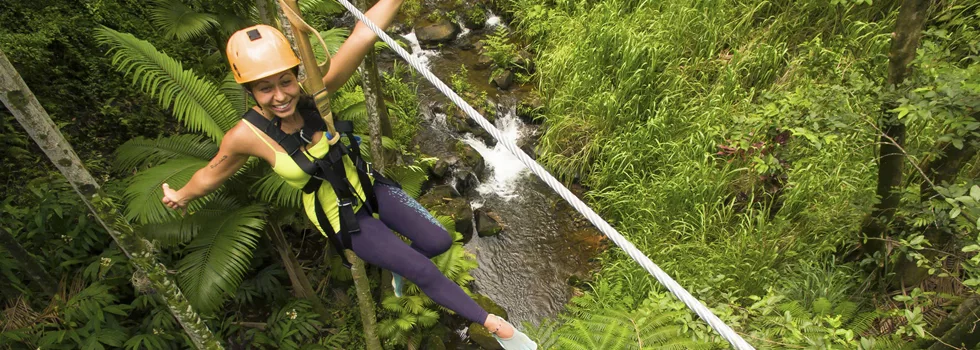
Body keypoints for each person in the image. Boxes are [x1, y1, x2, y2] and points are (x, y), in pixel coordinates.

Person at [159, 1, 536, 349]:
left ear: (295, 75)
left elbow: (362, 34)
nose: (280, 96)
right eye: (264, 88)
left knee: (438, 240)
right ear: (250, 90)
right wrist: (182, 195)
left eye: (285, 82)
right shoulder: (246, 136)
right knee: (423, 269)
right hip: (341, 217)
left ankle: (400, 266)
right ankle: (495, 326)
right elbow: (212, 173)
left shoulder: (315, 94)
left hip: (368, 187)